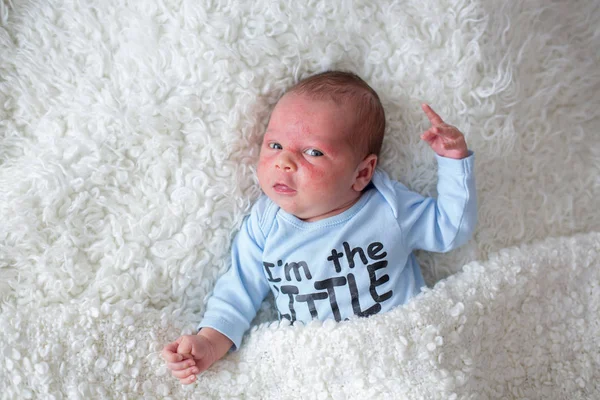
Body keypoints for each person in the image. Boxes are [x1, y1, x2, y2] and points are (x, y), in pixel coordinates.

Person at [162, 71, 477, 384]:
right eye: (274, 144)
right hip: (316, 370)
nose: (284, 161)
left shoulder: (387, 207)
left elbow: (450, 228)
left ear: (362, 172)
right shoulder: (265, 225)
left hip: (396, 355)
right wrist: (207, 343)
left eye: (313, 152)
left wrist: (453, 162)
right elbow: (237, 292)